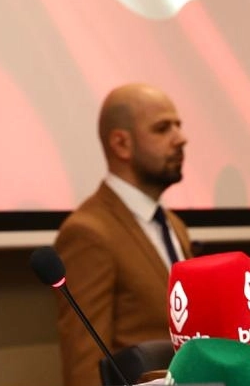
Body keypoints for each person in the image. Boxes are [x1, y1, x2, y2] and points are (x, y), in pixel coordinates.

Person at [54, 84, 194, 386]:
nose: (180, 138)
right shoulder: (88, 232)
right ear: (121, 144)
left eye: (178, 126)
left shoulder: (173, 225)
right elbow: (85, 367)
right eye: (162, 128)